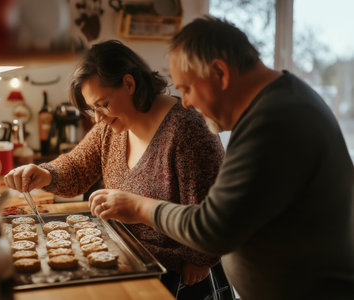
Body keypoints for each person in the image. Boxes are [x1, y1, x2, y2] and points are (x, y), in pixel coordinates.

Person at [88, 17, 354, 300]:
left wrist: (137, 206)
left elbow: (212, 228)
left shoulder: (274, 121)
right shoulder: (279, 102)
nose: (186, 102)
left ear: (220, 73)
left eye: (188, 88)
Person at [4, 40, 226, 299]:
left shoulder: (188, 130)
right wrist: (46, 174)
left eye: (102, 104)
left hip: (173, 274)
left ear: (129, 84)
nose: (98, 118)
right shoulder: (112, 127)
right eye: (92, 110)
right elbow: (76, 167)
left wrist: (200, 260)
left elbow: (212, 219)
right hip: (126, 257)